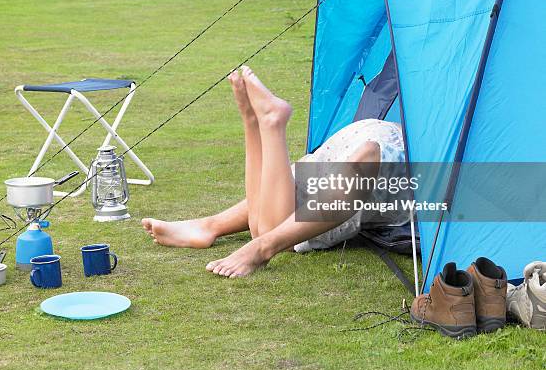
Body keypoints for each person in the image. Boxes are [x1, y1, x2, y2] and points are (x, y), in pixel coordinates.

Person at [142, 66, 406, 278]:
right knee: (274, 225)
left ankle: (253, 123)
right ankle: (269, 123)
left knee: (278, 211)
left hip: (371, 133)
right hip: (385, 151)